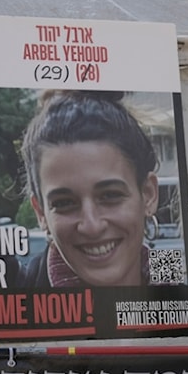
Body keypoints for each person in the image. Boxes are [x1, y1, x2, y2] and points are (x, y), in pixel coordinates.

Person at [17, 90, 160, 287]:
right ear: (40, 213)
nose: (92, 226)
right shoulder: (16, 300)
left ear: (148, 195)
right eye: (64, 203)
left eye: (110, 195)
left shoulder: (176, 275)